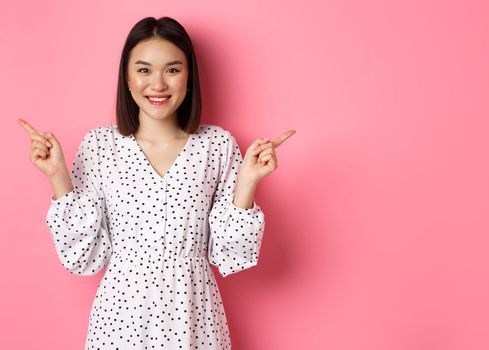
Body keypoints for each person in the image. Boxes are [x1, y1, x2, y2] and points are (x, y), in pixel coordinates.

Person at [17, 16, 295, 349]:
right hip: (120, 321)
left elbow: (230, 256)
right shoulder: (100, 146)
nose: (158, 84)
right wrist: (57, 176)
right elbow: (84, 257)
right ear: (127, 78)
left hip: (194, 316)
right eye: (144, 70)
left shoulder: (217, 145)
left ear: (189, 76)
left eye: (173, 70)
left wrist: (248, 183)